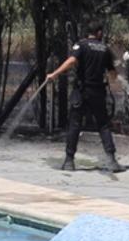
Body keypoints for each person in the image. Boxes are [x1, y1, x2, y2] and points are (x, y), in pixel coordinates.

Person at [47, 20, 124, 173]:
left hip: (81, 91)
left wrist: (54, 75)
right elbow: (113, 74)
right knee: (103, 125)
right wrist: (114, 79)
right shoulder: (105, 49)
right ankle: (111, 160)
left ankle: (69, 161)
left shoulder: (81, 45)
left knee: (75, 125)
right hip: (98, 93)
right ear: (99, 33)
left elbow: (71, 61)